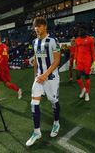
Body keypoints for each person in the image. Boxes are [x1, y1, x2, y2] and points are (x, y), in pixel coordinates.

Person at [26, 17, 61, 146]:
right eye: (35, 26)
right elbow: (36, 59)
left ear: (45, 26)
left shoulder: (53, 41)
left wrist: (46, 74)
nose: (37, 28)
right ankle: (37, 132)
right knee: (33, 103)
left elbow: (57, 60)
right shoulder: (35, 42)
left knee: (53, 101)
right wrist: (36, 75)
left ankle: (56, 123)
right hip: (39, 78)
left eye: (39, 26)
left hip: (51, 78)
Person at [0, 34, 22, 107]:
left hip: (3, 68)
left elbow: (5, 59)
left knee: (7, 84)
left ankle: (18, 90)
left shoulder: (4, 47)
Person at [74, 25, 95, 101]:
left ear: (85, 31)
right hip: (79, 61)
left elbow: (93, 52)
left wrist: (94, 62)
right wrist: (75, 60)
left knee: (87, 77)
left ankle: (87, 93)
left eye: (81, 31)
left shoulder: (90, 39)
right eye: (79, 31)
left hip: (87, 61)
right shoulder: (77, 40)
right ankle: (83, 89)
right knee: (77, 76)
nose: (79, 32)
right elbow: (76, 51)